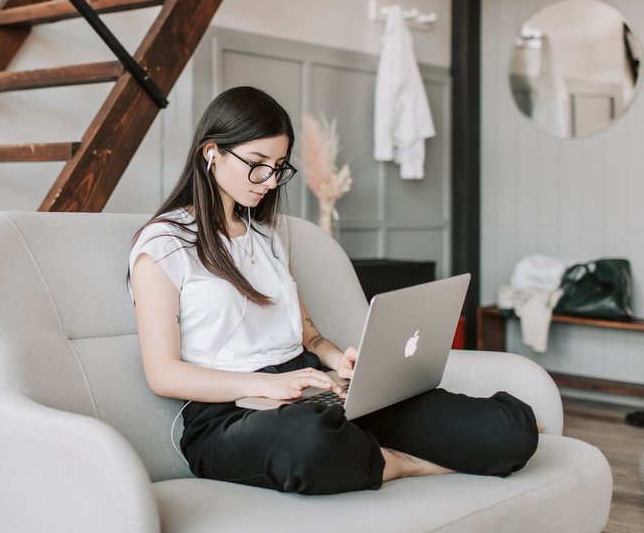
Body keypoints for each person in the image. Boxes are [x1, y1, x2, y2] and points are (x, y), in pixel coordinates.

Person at [128, 86, 538, 495]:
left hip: (311, 392)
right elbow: (163, 374)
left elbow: (310, 336)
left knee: (507, 431)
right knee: (312, 442)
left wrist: (342, 362)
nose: (269, 181)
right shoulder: (164, 245)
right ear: (211, 152)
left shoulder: (266, 237)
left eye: (279, 167)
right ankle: (403, 464)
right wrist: (264, 384)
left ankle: (372, 451)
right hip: (230, 417)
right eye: (257, 165)